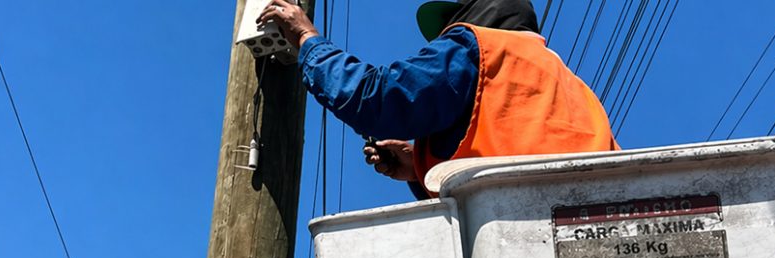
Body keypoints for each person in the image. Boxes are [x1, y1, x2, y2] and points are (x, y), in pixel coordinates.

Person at [258, 0, 620, 199]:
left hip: (519, 234)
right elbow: (512, 149)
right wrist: (419, 168)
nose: (441, 42)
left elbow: (378, 98)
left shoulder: (479, 47)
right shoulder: (569, 86)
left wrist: (307, 39)